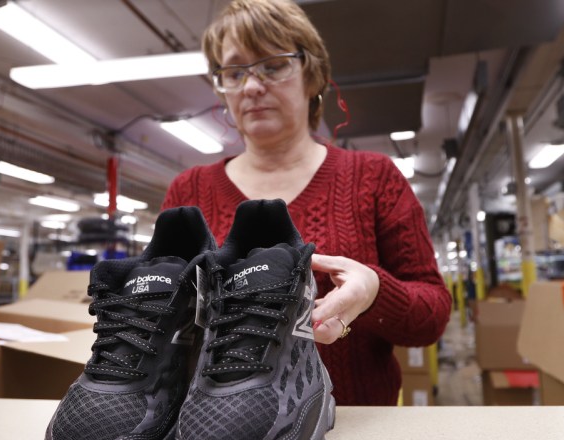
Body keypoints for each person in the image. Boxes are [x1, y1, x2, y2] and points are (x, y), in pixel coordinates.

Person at [162, 0, 452, 405]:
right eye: (234, 71)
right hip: (220, 436)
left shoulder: (373, 178)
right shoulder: (188, 192)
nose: (251, 86)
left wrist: (373, 291)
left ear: (312, 76)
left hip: (358, 428)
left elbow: (433, 315)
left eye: (273, 65)